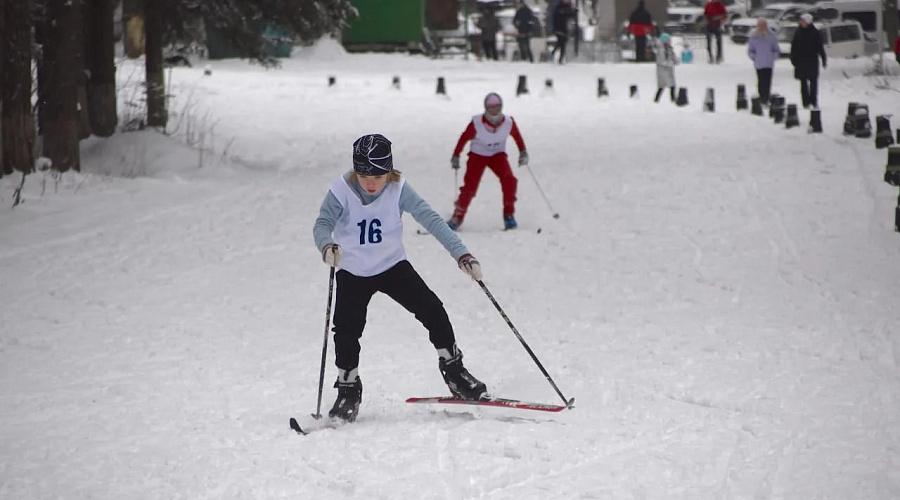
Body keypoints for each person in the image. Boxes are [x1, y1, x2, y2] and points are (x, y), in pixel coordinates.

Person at [313, 134, 489, 422]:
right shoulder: (341, 190)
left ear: (389, 171)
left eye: (378, 175)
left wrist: (462, 255)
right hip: (353, 271)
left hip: (393, 266)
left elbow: (431, 219)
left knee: (433, 309)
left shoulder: (399, 188)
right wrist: (326, 245)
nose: (370, 182)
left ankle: (455, 371)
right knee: (346, 331)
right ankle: (348, 388)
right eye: (363, 175)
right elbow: (322, 224)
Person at [447, 93, 528, 231]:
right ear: (486, 108)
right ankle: (457, 216)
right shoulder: (476, 123)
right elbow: (464, 138)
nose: (495, 110)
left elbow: (518, 138)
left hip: (498, 155)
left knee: (510, 180)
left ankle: (509, 215)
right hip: (478, 155)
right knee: (470, 187)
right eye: (491, 107)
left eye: (497, 107)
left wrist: (523, 152)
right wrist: (456, 155)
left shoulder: (508, 122)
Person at [789, 13, 826, 109]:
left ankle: (814, 101)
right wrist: (793, 58)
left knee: (813, 82)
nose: (801, 22)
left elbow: (820, 47)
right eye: (801, 21)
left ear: (808, 22)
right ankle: (805, 102)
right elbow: (794, 46)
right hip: (801, 61)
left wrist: (823, 59)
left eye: (803, 21)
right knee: (803, 82)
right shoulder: (798, 32)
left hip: (812, 60)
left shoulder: (815, 32)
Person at [747, 17, 780, 105]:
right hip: (759, 63)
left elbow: (776, 50)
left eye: (763, 25)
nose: (761, 27)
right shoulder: (754, 36)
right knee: (761, 81)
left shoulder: (771, 35)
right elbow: (750, 50)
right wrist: (755, 57)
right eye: (759, 25)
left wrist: (772, 57)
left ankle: (766, 98)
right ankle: (762, 98)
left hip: (769, 64)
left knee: (767, 81)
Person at [654, 33, 678, 103]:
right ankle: (658, 100)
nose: (670, 41)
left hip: (668, 70)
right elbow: (661, 61)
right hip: (662, 71)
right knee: (663, 86)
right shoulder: (661, 50)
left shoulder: (669, 48)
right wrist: (670, 63)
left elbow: (673, 57)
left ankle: (671, 99)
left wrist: (675, 60)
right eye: (668, 40)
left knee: (670, 86)